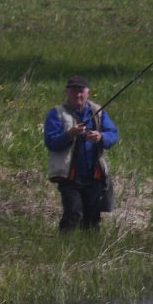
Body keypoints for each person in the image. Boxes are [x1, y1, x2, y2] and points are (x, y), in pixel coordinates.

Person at [44, 76, 119, 232]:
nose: (77, 95)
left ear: (88, 93)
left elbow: (113, 134)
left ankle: (90, 250)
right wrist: (70, 134)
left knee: (92, 218)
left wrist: (101, 137)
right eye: (73, 91)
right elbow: (51, 143)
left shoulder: (98, 113)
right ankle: (64, 246)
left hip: (94, 175)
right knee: (73, 213)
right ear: (67, 92)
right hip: (69, 176)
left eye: (81, 91)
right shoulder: (56, 114)